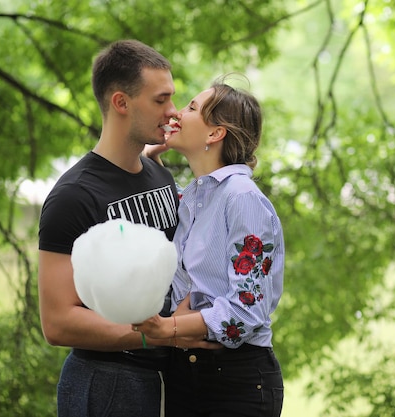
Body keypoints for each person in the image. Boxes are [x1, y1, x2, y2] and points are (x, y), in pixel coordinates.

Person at [37, 39, 211, 417]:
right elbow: (58, 322)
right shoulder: (74, 196)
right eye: (160, 100)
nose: (173, 111)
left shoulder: (158, 174)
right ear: (121, 103)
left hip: (166, 377)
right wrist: (158, 333)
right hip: (106, 381)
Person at [137, 77, 285, 417]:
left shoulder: (242, 198)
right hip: (185, 373)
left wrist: (167, 329)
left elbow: (248, 312)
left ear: (214, 133)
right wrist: (151, 157)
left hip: (235, 380)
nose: (175, 113)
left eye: (190, 108)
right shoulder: (196, 196)